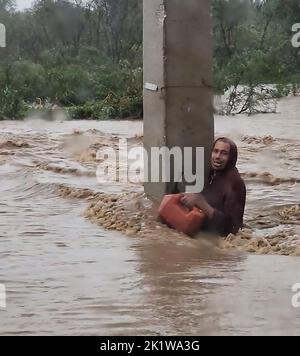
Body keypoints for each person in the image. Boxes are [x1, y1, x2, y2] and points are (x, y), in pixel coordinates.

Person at [180, 137, 246, 236]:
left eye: (224, 153)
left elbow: (233, 228)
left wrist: (202, 204)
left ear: (231, 157)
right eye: (215, 151)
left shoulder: (235, 183)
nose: (217, 156)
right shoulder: (213, 173)